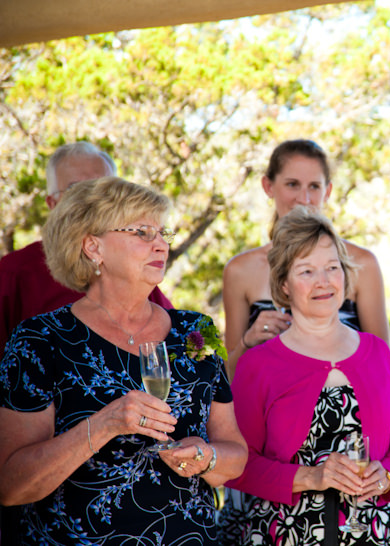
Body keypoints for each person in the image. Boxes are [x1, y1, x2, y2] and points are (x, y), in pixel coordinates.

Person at [0, 177, 248, 545]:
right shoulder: (39, 340)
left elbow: (235, 455)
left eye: (163, 233)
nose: (161, 244)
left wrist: (206, 457)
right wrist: (105, 424)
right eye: (142, 232)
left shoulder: (195, 332)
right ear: (92, 246)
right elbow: (12, 485)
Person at [222, 206, 390, 546]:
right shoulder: (259, 364)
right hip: (285, 535)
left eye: (332, 267)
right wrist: (310, 477)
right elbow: (238, 464)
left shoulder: (376, 352)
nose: (323, 281)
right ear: (283, 284)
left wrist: (387, 475)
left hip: (375, 534)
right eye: (307, 271)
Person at [222, 139, 389, 380]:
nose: (304, 198)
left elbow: (383, 366)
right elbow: (228, 378)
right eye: (292, 184)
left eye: (314, 186)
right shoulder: (240, 270)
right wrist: (248, 342)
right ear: (268, 186)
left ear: (328, 191)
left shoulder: (362, 264)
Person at [0, 142, 173, 358]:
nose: (92, 199)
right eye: (76, 190)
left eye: (105, 189)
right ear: (52, 203)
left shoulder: (138, 275)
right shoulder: (13, 273)